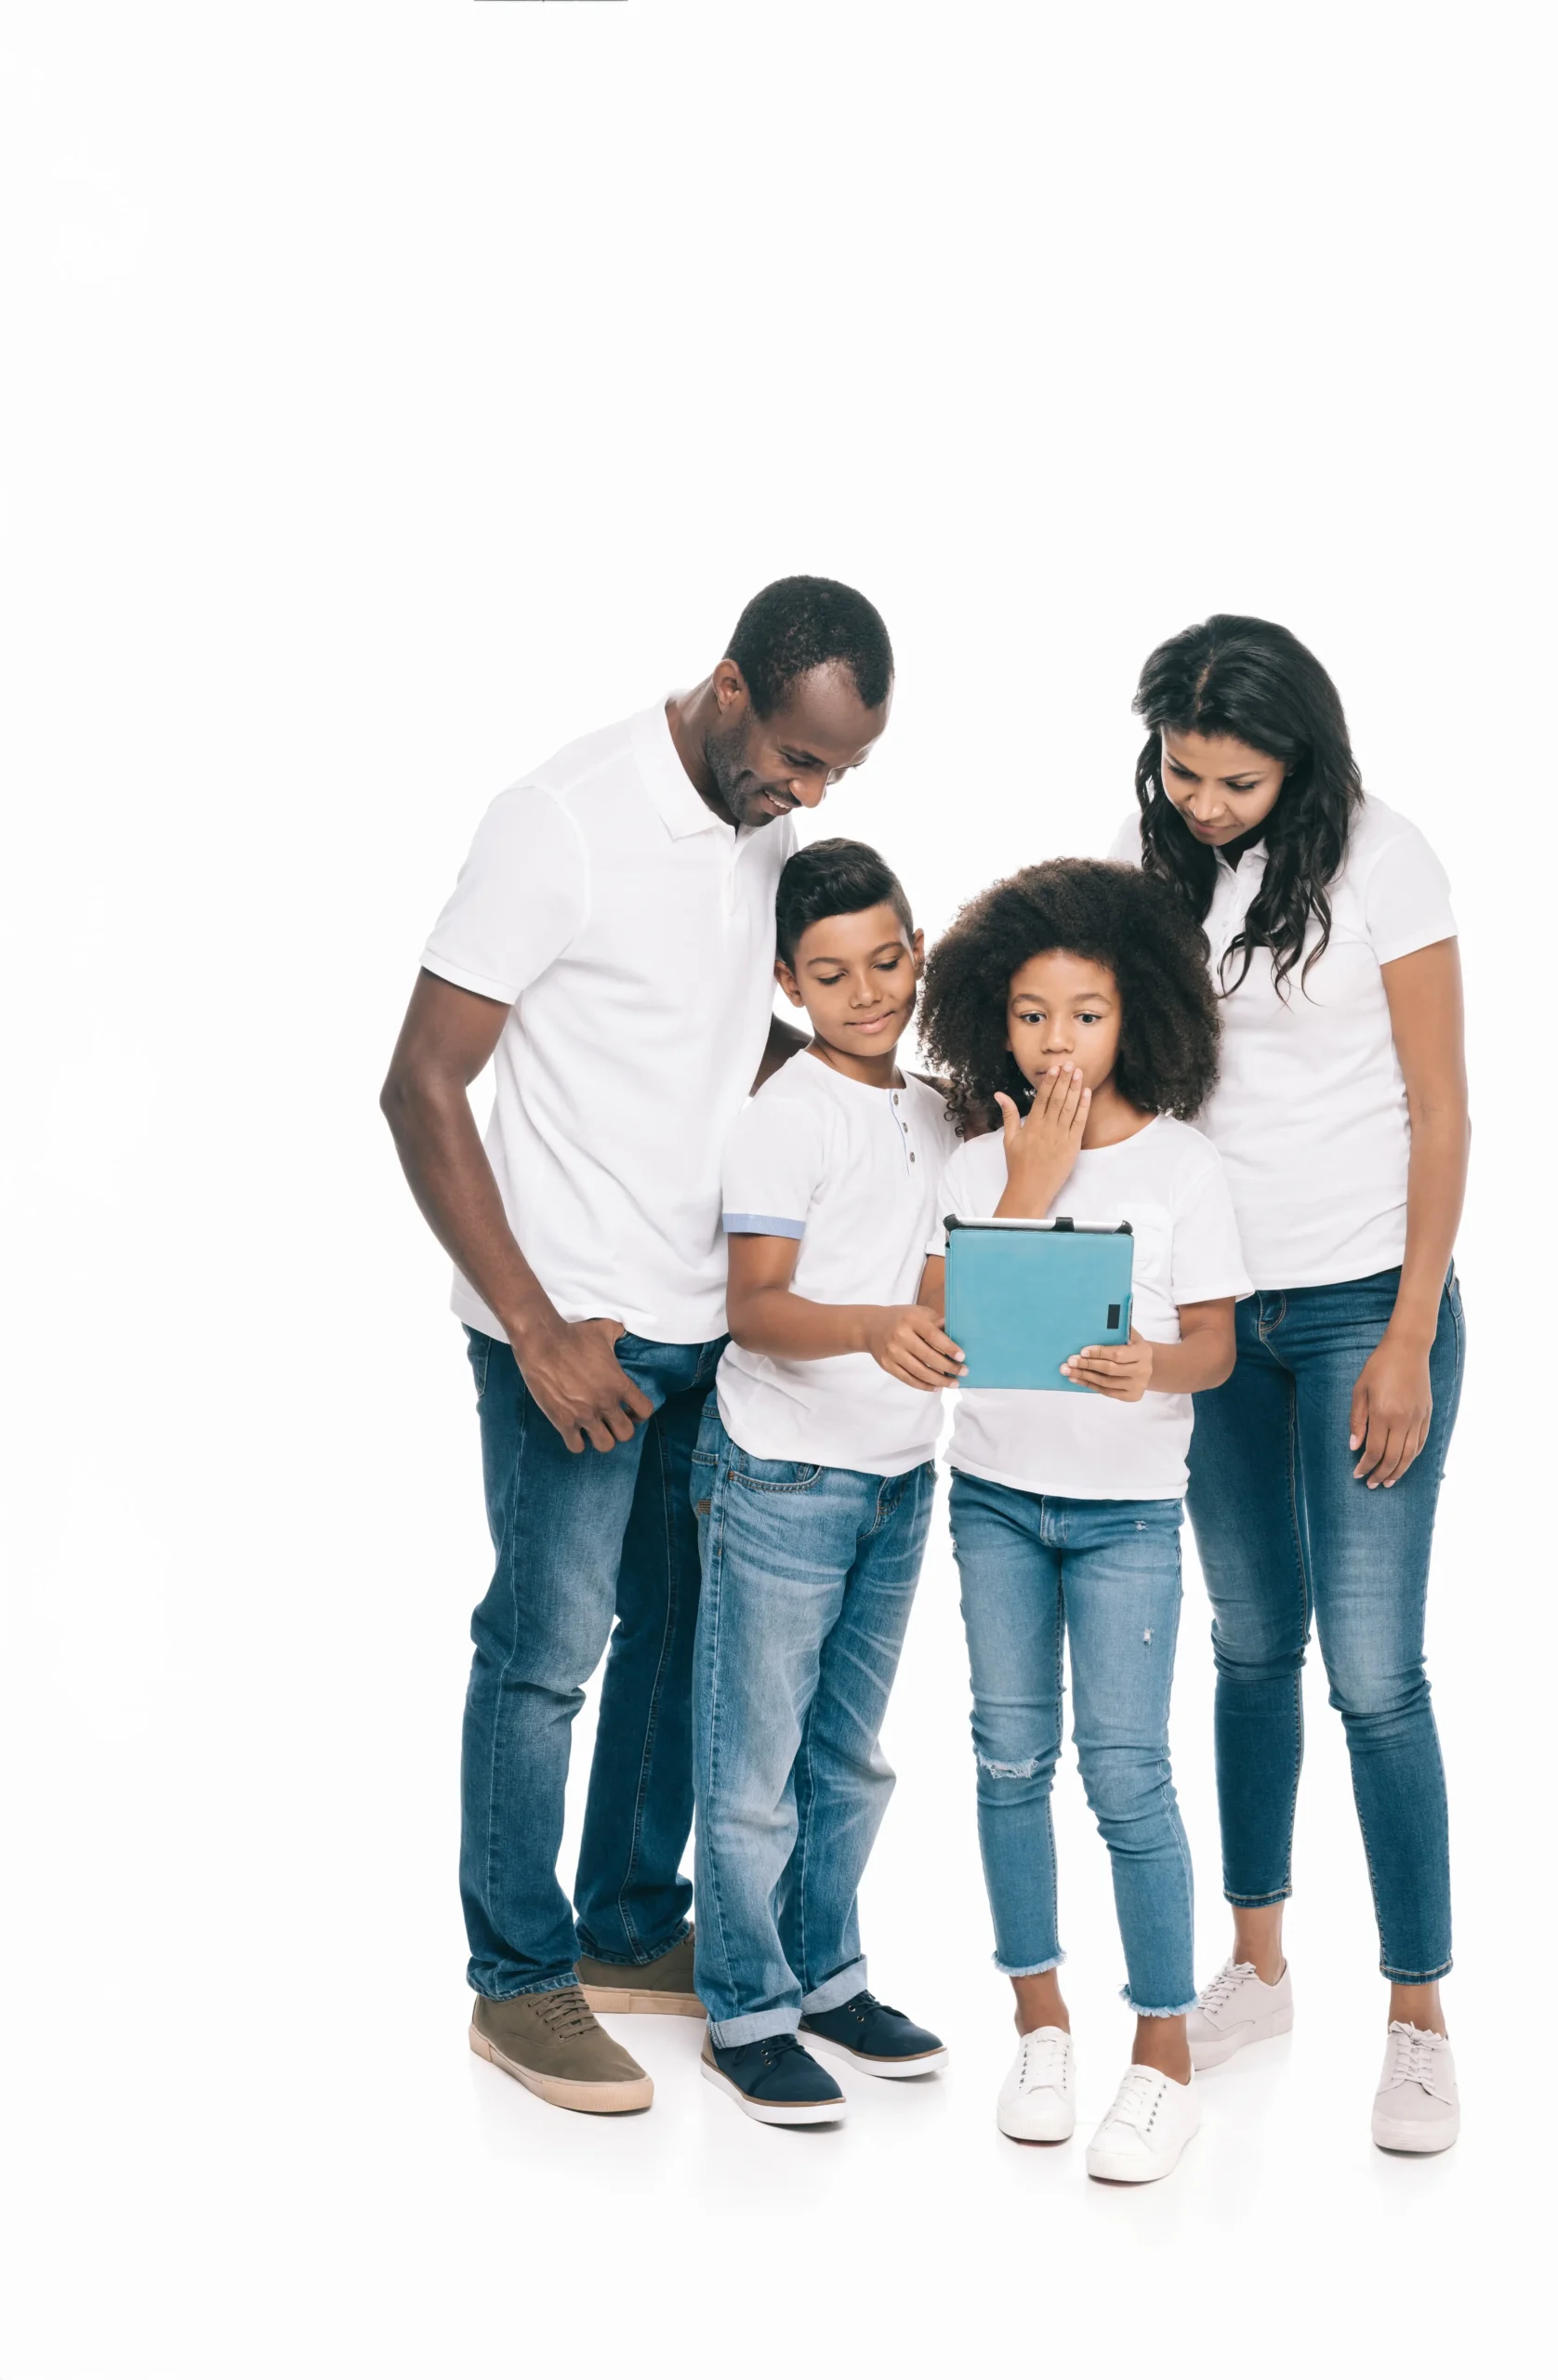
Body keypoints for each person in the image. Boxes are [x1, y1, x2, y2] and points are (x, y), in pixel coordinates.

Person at [379, 577, 893, 2115]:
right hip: (577, 1333)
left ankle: (618, 1927)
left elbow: (724, 1032)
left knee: (676, 1646)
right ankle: (517, 1983)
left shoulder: (762, 834)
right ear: (730, 685)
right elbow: (419, 1084)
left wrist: (888, 1080)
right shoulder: (562, 821)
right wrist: (532, 1329)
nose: (810, 795)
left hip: (706, 1326)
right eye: (799, 760)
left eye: (839, 777)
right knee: (542, 1657)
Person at [1114, 615, 1470, 2153]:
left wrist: (1404, 1334)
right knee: (1249, 1647)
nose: (1200, 802)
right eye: (1181, 773)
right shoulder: (1166, 862)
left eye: (1234, 781)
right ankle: (1254, 1971)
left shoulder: (1387, 863)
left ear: (1299, 761)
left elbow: (1442, 1114)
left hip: (1357, 1312)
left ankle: (1417, 2019)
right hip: (1219, 1317)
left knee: (1372, 1674)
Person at [916, 861, 1250, 2185]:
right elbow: (940, 1328)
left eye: (1088, 1013)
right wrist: (1028, 1182)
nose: (1058, 1041)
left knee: (1126, 1775)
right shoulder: (972, 1158)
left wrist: (1150, 1366)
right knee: (1007, 1761)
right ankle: (1038, 2024)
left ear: (1137, 1016)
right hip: (994, 1499)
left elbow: (1216, 1347)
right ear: (994, 1022)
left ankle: (1161, 2058)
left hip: (1123, 1519)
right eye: (1032, 1013)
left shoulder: (1182, 1165)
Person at [690, 839, 961, 2124]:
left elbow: (932, 1280)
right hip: (785, 1477)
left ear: (918, 951)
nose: (869, 992)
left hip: (900, 1476)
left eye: (888, 960)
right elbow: (753, 1310)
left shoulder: (931, 1109)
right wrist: (865, 1329)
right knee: (753, 1767)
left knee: (846, 1760)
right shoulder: (783, 1115)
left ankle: (825, 1974)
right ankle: (745, 2007)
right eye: (834, 973)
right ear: (791, 984)